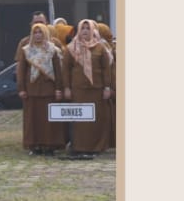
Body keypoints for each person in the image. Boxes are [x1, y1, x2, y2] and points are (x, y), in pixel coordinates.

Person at [63, 18, 114, 157]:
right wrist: (66, 88)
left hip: (96, 91)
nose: (85, 31)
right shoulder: (70, 48)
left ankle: (95, 147)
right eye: (82, 28)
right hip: (78, 91)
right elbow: (66, 70)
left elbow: (106, 70)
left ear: (93, 31)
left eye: (88, 28)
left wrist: (107, 88)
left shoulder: (100, 48)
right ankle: (79, 146)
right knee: (80, 121)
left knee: (95, 120)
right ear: (78, 30)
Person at [16, 21, 67, 155]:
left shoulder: (53, 49)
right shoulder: (26, 50)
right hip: (31, 90)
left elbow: (58, 71)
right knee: (32, 120)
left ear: (46, 33)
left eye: (40, 32)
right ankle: (34, 145)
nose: (38, 35)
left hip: (49, 90)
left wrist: (58, 89)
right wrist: (21, 88)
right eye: (35, 32)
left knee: (49, 120)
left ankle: (50, 145)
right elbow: (21, 71)